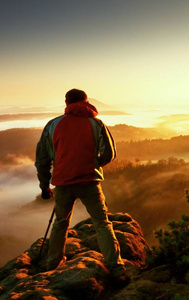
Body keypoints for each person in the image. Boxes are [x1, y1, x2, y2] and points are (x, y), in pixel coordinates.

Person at [35, 88, 130, 285]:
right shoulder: (96, 123)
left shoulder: (53, 125)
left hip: (63, 183)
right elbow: (109, 154)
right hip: (90, 182)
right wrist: (94, 165)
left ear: (66, 103)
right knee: (102, 223)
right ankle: (117, 268)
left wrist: (45, 186)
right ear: (86, 102)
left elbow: (42, 159)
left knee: (61, 222)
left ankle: (53, 264)